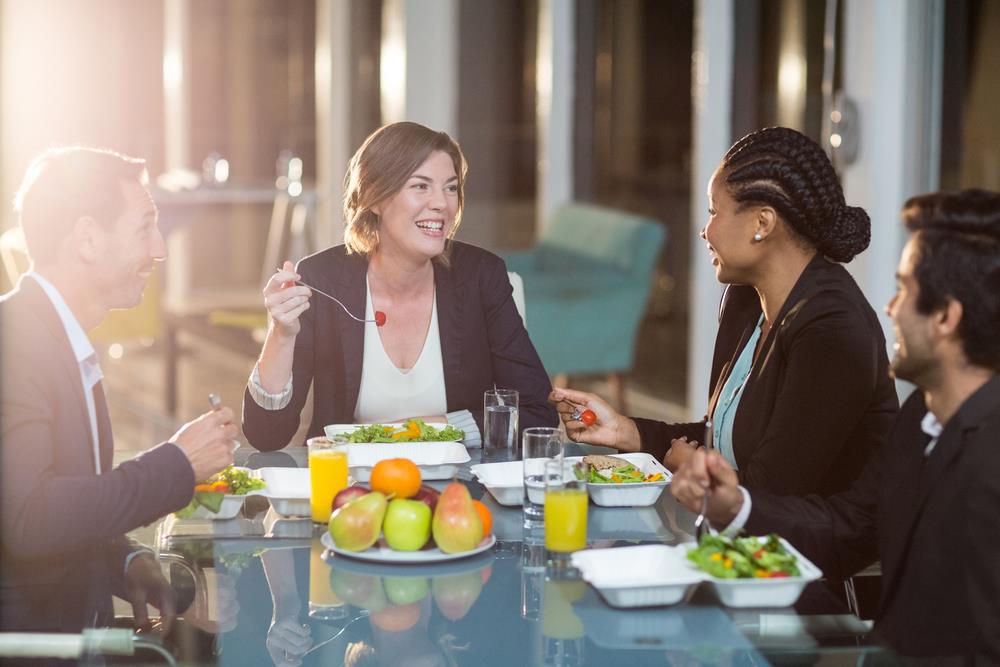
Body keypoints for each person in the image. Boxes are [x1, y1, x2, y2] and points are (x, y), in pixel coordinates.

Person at [671, 189, 1000, 661]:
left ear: (946, 317)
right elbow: (849, 525)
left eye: (904, 290)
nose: (890, 309)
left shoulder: (991, 464)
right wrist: (736, 506)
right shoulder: (920, 419)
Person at [552, 127, 898, 496]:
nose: (704, 231)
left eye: (714, 211)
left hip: (810, 549)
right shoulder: (745, 300)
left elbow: (773, 491)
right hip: (738, 533)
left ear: (762, 224)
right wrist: (625, 431)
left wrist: (687, 464)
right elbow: (721, 438)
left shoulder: (833, 328)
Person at [0, 147, 238, 634]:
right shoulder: (15, 340)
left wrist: (124, 561)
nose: (159, 248)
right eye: (144, 227)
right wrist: (178, 463)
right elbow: (31, 518)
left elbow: (65, 502)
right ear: (88, 238)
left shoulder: (56, 335)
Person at [243, 122, 556, 451]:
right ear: (374, 197)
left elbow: (537, 413)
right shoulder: (323, 279)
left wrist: (419, 430)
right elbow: (267, 435)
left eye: (451, 188)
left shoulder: (481, 275)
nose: (441, 204)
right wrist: (282, 333)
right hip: (347, 490)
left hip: (461, 489)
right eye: (421, 186)